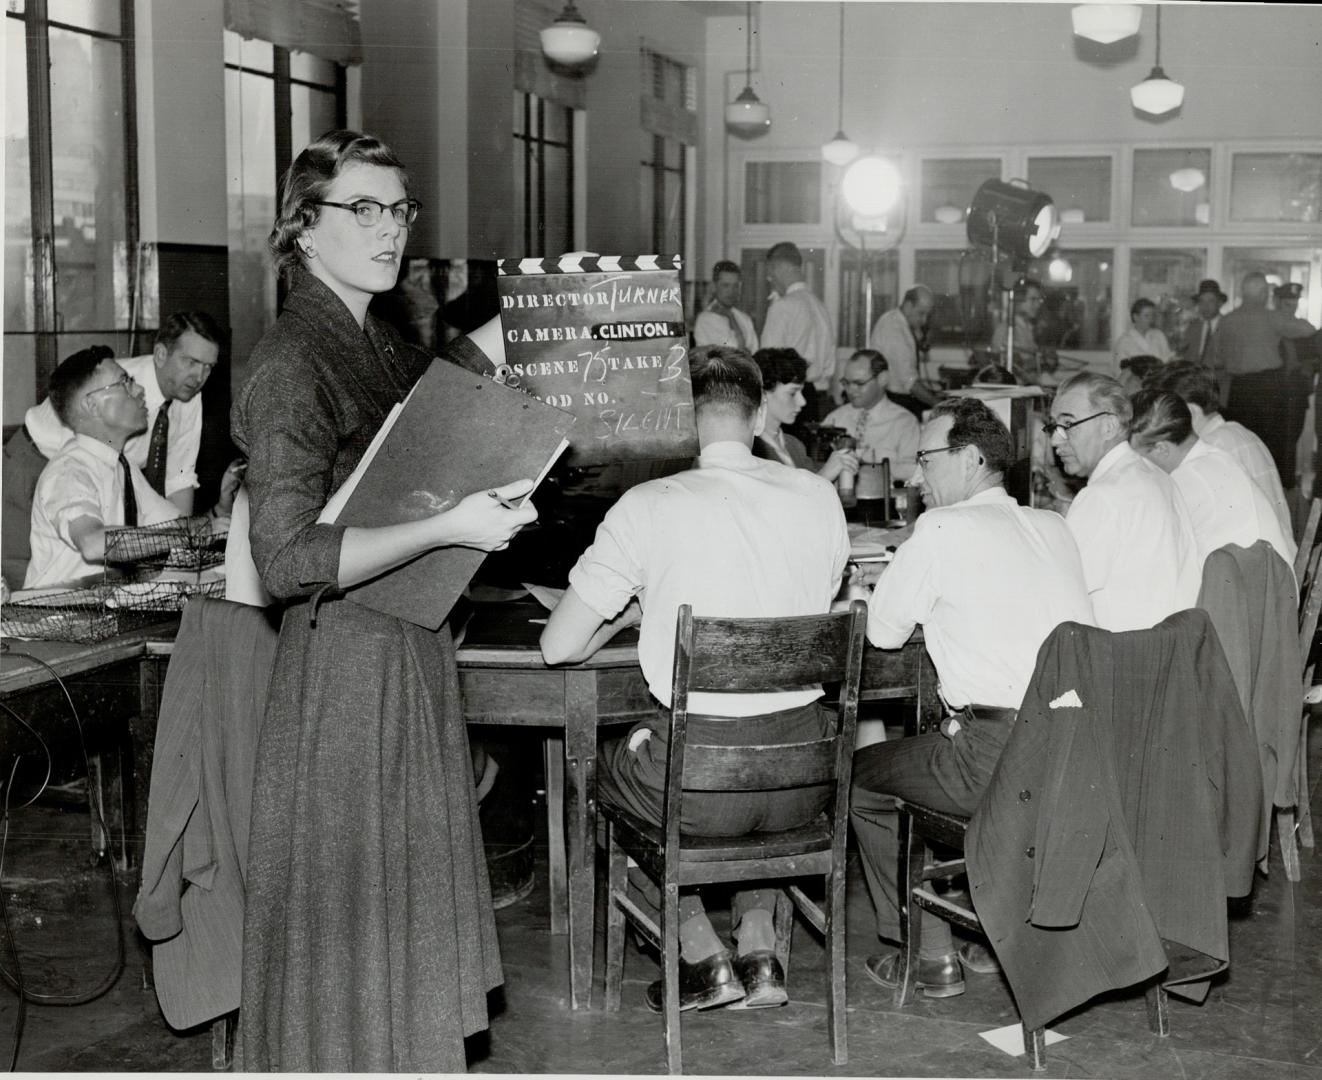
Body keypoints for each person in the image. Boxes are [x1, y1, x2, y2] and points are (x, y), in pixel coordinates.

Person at [230, 130, 537, 1072]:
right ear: (302, 230)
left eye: (399, 210)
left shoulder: (374, 340)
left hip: (401, 650)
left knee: (394, 921)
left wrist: (563, 313)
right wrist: (447, 529)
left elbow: (450, 395)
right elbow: (285, 558)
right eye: (362, 209)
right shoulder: (291, 362)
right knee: (352, 937)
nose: (390, 228)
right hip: (343, 672)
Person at [540, 346, 850, 1014]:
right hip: (804, 777)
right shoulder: (820, 496)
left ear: (682, 421)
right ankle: (761, 948)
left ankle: (702, 954)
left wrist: (630, 616)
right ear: (762, 415)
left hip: (699, 784)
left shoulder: (649, 502)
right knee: (749, 763)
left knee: (603, 769)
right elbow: (808, 615)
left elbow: (557, 646)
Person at [850, 397, 1095, 998]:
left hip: (990, 755)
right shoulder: (1053, 526)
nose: (914, 477)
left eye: (926, 459)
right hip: (1075, 755)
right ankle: (983, 937)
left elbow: (881, 633)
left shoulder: (939, 529)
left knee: (860, 777)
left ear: (972, 459)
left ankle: (926, 951)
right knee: (931, 760)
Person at [24, 312, 222, 513]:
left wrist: (183, 540)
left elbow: (179, 478)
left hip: (93, 478)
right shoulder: (113, 386)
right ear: (161, 354)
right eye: (191, 362)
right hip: (35, 461)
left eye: (208, 367)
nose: (199, 377)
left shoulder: (188, 396)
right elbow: (78, 460)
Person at [1047, 372, 1200, 632]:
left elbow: (1059, 594)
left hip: (1121, 656)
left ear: (1109, 426)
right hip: (1168, 649)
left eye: (1068, 425)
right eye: (1052, 427)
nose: (1055, 439)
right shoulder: (1158, 475)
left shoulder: (1101, 496)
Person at [24, 347, 186, 588]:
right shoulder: (69, 471)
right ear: (92, 405)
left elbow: (173, 523)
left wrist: (216, 516)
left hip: (99, 608)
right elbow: (92, 543)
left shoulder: (122, 466)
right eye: (125, 382)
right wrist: (183, 536)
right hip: (53, 616)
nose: (140, 390)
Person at [1129, 389, 1296, 572]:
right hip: (1269, 583)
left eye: (1137, 457)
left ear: (1161, 449)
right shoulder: (1215, 457)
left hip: (1254, 592)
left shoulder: (1186, 480)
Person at [1153, 361, 1292, 541]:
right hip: (1271, 555)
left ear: (1191, 412)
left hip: (1257, 562)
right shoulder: (1239, 432)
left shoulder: (1210, 447)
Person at [1211, 271, 1317, 497]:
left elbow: (1215, 359)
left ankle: (1239, 495)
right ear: (1263, 293)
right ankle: (1269, 497)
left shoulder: (1226, 320)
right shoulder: (1270, 317)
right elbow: (1308, 330)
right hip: (1267, 388)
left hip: (1237, 390)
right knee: (1269, 447)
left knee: (1239, 445)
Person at [751, 347, 857, 481]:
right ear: (763, 394)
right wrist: (825, 476)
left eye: (801, 392)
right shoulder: (750, 448)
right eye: (792, 393)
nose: (802, 402)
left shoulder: (794, 445)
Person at [760, 242, 835, 420]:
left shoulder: (782, 307)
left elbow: (767, 363)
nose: (769, 279)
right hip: (819, 399)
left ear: (781, 267)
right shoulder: (820, 306)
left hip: (790, 397)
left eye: (770, 272)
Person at [821, 349, 919, 482]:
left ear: (882, 379)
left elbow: (913, 471)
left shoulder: (905, 423)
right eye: (846, 383)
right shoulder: (835, 418)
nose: (850, 390)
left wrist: (868, 466)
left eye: (859, 383)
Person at [868, 285, 936, 417]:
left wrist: (918, 336)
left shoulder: (900, 321)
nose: (924, 321)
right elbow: (909, 382)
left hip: (899, 398)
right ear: (908, 305)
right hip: (895, 400)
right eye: (921, 313)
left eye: (928, 315)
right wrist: (938, 404)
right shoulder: (894, 328)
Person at [990, 279, 1055, 383]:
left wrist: (1047, 360)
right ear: (1018, 301)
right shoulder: (1006, 329)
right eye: (1033, 300)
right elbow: (1009, 366)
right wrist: (1041, 361)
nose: (1038, 305)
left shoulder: (1027, 328)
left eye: (1039, 300)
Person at [694, 259, 759, 353]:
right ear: (714, 286)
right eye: (725, 285)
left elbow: (755, 355)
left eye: (735, 286)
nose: (731, 292)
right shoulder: (705, 320)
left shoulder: (744, 319)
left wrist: (731, 317)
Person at [1113, 297, 1174, 366]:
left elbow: (1168, 361)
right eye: (1147, 316)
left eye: (1152, 316)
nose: (1151, 319)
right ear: (1135, 317)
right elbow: (1120, 372)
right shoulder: (1123, 342)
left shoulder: (1159, 335)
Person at [1179, 278, 1226, 365]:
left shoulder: (1228, 326)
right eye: (1202, 301)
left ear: (1219, 303)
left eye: (1211, 301)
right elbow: (1185, 356)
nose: (1206, 306)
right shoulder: (1193, 327)